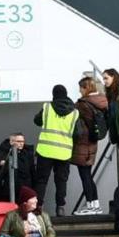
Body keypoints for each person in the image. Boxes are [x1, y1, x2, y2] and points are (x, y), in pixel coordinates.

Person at [34, 85, 80, 215]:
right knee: (61, 181)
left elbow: (36, 121)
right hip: (64, 153)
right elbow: (78, 133)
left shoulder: (47, 107)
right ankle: (60, 207)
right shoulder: (75, 112)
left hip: (45, 151)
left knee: (42, 180)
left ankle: (38, 207)